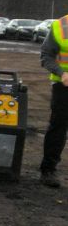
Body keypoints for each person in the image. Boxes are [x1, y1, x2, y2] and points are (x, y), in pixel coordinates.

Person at [39, 15, 68, 187]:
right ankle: (48, 169)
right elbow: (46, 56)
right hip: (63, 86)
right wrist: (61, 73)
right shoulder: (60, 26)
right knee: (58, 126)